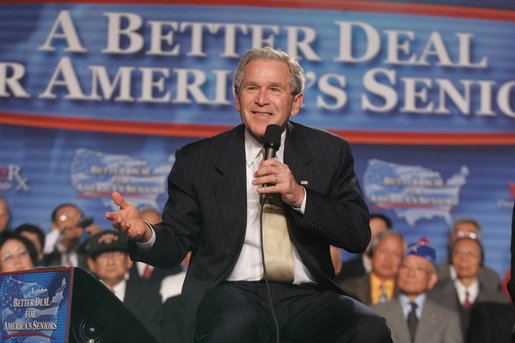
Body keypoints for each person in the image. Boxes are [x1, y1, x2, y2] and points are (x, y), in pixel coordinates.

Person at [106, 47, 391, 343]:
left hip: (308, 294)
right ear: (236, 98)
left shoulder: (329, 151)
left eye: (275, 89)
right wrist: (144, 234)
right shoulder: (198, 159)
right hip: (231, 291)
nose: (262, 99)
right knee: (235, 325)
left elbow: (357, 235)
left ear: (296, 103)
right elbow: (177, 241)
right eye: (252, 87)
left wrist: (299, 196)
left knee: (369, 328)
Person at [372, 238, 462, 343]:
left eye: (419, 269)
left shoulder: (448, 319)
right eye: (405, 266)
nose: (410, 274)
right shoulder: (376, 314)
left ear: (432, 279)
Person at [86, 229, 163, 342]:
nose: (111, 262)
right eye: (104, 255)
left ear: (129, 261)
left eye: (117, 254)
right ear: (91, 264)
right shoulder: (83, 299)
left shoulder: (150, 298)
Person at [429, 237, 509, 335]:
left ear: (481, 260)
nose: (464, 259)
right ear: (451, 259)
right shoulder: (433, 297)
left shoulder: (498, 300)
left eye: (471, 254)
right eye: (458, 253)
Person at [341, 230, 405, 305]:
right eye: (383, 251)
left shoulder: (407, 290)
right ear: (372, 254)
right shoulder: (348, 288)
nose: (388, 259)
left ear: (403, 260)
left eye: (395, 254)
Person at [436, 218, 500, 290]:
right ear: (450, 238)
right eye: (460, 233)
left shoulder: (491, 278)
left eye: (471, 234)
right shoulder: (435, 274)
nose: (465, 237)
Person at [337, 213, 393, 282]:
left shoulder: (399, 273)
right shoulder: (343, 272)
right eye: (369, 233)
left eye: (379, 234)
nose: (373, 238)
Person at [42, 203, 100, 269]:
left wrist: (98, 239)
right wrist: (60, 230)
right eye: (64, 217)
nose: (72, 221)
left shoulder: (88, 254)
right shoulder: (45, 253)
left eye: (77, 217)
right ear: (53, 226)